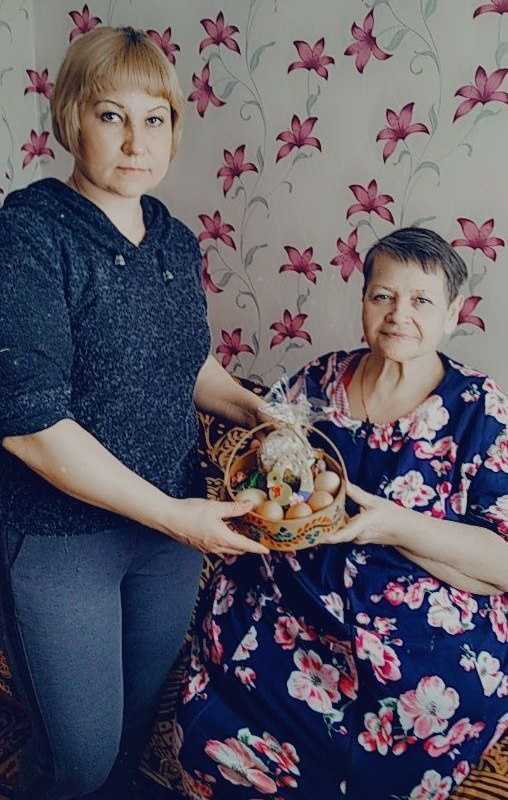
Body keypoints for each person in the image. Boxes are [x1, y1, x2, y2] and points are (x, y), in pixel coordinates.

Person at [0, 26, 269, 800]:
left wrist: (258, 411)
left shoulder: (174, 241)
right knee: (79, 756)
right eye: (111, 115)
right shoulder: (30, 234)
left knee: (130, 735)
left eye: (155, 119)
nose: (134, 141)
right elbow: (29, 425)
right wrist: (178, 517)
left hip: (166, 538)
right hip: (61, 537)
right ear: (71, 118)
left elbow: (189, 364)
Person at [169, 227, 508, 800]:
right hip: (291, 605)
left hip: (416, 641)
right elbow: (265, 471)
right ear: (364, 302)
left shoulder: (479, 408)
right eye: (383, 295)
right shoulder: (320, 382)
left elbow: (501, 563)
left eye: (422, 301)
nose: (399, 315)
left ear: (453, 314)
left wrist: (392, 526)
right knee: (212, 734)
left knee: (402, 739)